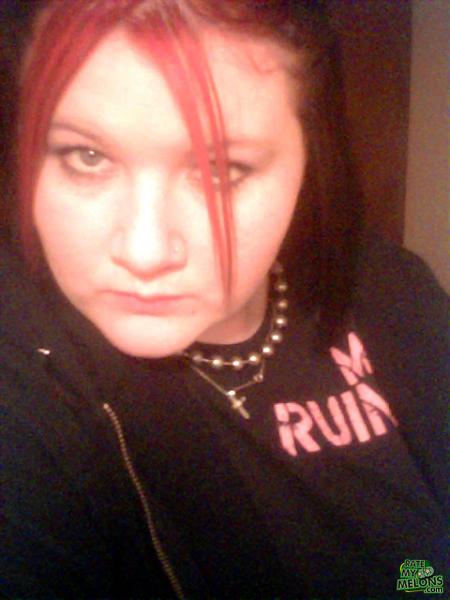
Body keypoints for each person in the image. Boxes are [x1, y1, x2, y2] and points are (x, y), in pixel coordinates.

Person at [1, 1, 447, 598]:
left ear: (310, 158)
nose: (145, 252)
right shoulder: (25, 382)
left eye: (220, 169)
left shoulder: (387, 283)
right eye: (87, 156)